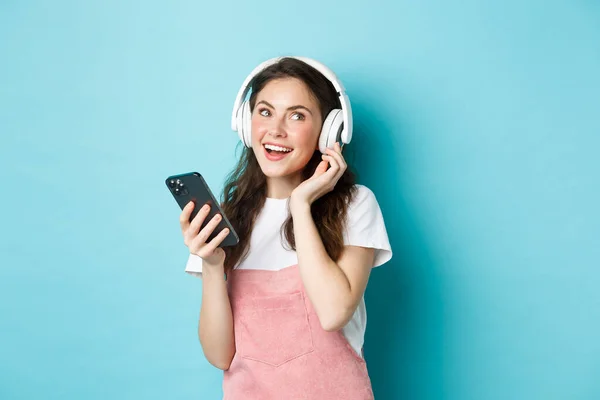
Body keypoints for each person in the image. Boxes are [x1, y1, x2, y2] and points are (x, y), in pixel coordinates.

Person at [180, 56, 392, 399]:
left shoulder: (355, 204)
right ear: (246, 124)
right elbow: (220, 356)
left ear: (329, 130)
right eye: (265, 112)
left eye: (297, 116)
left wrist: (301, 205)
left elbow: (334, 312)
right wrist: (212, 264)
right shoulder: (227, 217)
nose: (275, 130)